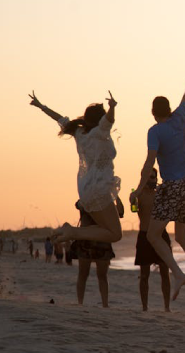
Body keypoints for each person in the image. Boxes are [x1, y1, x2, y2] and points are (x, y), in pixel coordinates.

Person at [130, 48, 185, 303]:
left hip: (171, 187)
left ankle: (177, 272)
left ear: (153, 113)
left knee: (152, 235)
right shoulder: (179, 118)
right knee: (183, 236)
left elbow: (148, 163)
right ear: (169, 109)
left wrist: (139, 190)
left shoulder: (155, 131)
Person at [29, 90, 123, 245]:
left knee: (107, 230)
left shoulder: (79, 133)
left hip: (86, 190)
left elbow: (60, 119)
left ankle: (72, 232)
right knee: (115, 234)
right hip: (99, 188)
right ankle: (72, 232)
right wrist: (113, 107)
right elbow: (109, 121)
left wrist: (41, 106)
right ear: (99, 119)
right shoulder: (100, 133)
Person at [72, 198, 123, 308]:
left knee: (101, 275)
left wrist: (116, 197)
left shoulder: (106, 200)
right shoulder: (87, 198)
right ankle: (80, 302)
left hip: (100, 239)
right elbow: (79, 205)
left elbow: (120, 212)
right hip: (89, 238)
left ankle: (105, 304)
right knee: (84, 273)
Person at [133, 168, 171, 311]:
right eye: (148, 177)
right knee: (144, 275)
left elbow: (169, 210)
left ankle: (167, 307)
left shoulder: (161, 194)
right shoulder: (139, 195)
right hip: (144, 235)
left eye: (153, 177)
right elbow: (134, 209)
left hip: (161, 234)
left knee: (165, 272)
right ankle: (144, 307)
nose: (151, 180)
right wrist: (133, 197)